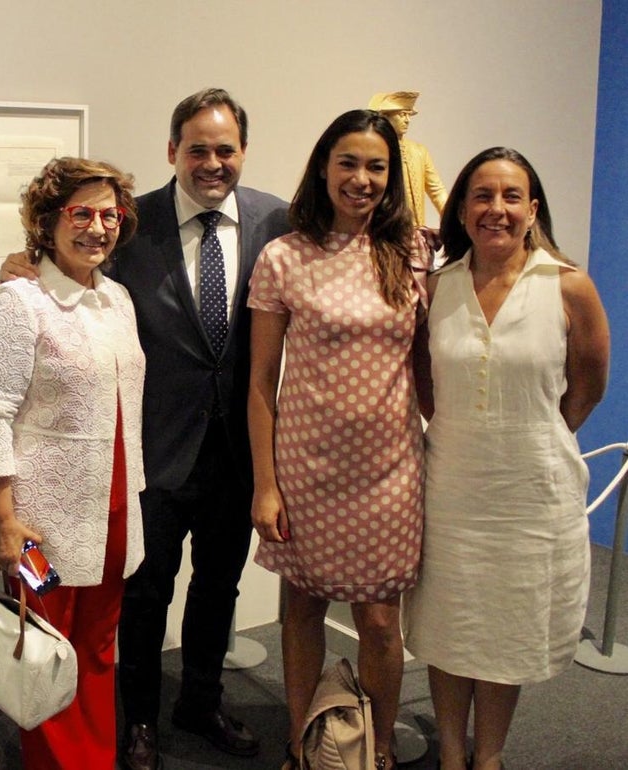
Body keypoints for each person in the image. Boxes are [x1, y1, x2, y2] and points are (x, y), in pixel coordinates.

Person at [0, 87, 288, 770]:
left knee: (219, 586)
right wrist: (21, 267)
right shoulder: (132, 222)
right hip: (150, 454)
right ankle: (139, 722)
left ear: (242, 152)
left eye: (225, 149)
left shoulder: (275, 220)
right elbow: (71, 264)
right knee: (143, 594)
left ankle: (201, 699)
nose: (212, 162)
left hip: (237, 455)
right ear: (172, 152)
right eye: (198, 149)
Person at [403, 147, 609, 770]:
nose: (497, 209)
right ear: (462, 209)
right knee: (450, 619)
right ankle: (450, 750)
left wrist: (535, 433)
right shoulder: (437, 288)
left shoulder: (568, 284)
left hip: (532, 489)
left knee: (508, 623)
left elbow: (589, 383)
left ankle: (488, 754)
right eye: (483, 197)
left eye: (511, 196)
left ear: (532, 209)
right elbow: (424, 379)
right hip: (453, 484)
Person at [247, 109, 430, 770]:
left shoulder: (414, 253)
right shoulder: (283, 256)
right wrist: (266, 485)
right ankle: (303, 742)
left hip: (389, 474)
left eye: (376, 166)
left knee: (381, 623)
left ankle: (377, 746)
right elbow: (262, 382)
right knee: (301, 610)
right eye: (348, 163)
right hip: (306, 471)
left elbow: (430, 365)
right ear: (323, 167)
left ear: (391, 175)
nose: (361, 178)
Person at [0, 156, 146, 769]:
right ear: (47, 222)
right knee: (46, 657)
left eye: (109, 214)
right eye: (81, 213)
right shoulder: (19, 303)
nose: (97, 227)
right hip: (41, 526)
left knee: (96, 652)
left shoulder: (117, 299)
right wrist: (2, 519)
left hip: (114, 514)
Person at [369, 91, 447, 227]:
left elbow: (437, 190)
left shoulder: (419, 151)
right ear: (385, 117)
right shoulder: (374, 152)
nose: (407, 120)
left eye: (409, 115)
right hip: (385, 234)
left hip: (418, 236)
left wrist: (452, 220)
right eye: (402, 114)